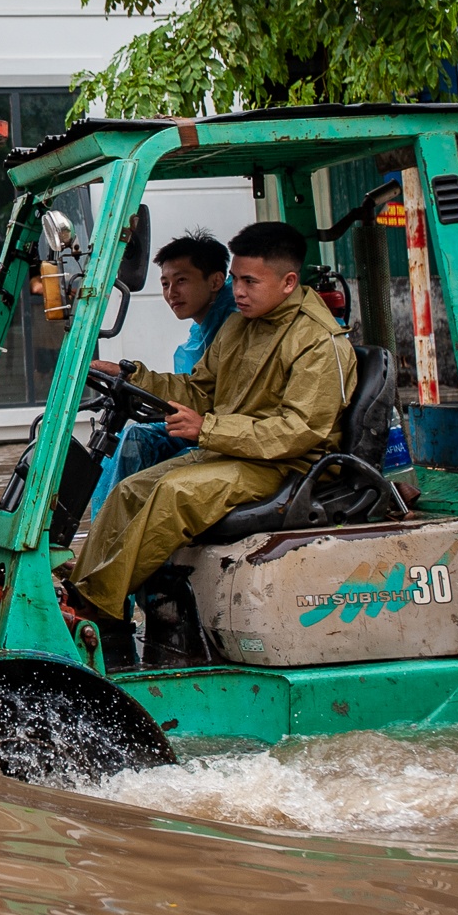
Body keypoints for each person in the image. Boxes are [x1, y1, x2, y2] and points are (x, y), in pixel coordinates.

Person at [66, 221, 354, 646]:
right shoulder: (241, 326)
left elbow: (299, 431)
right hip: (239, 453)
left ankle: (98, 608)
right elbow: (198, 389)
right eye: (236, 279)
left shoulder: (317, 342)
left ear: (289, 282)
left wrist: (209, 429)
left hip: (290, 466)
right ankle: (80, 592)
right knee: (130, 489)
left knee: (175, 493)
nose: (237, 291)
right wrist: (134, 376)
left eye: (250, 281)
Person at [85, 231, 238, 515]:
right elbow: (194, 391)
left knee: (138, 447)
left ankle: (110, 545)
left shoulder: (235, 327)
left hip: (225, 438)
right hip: (206, 430)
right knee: (134, 436)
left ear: (216, 281)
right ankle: (103, 536)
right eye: (165, 284)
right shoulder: (202, 330)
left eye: (181, 281)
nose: (171, 293)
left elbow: (207, 400)